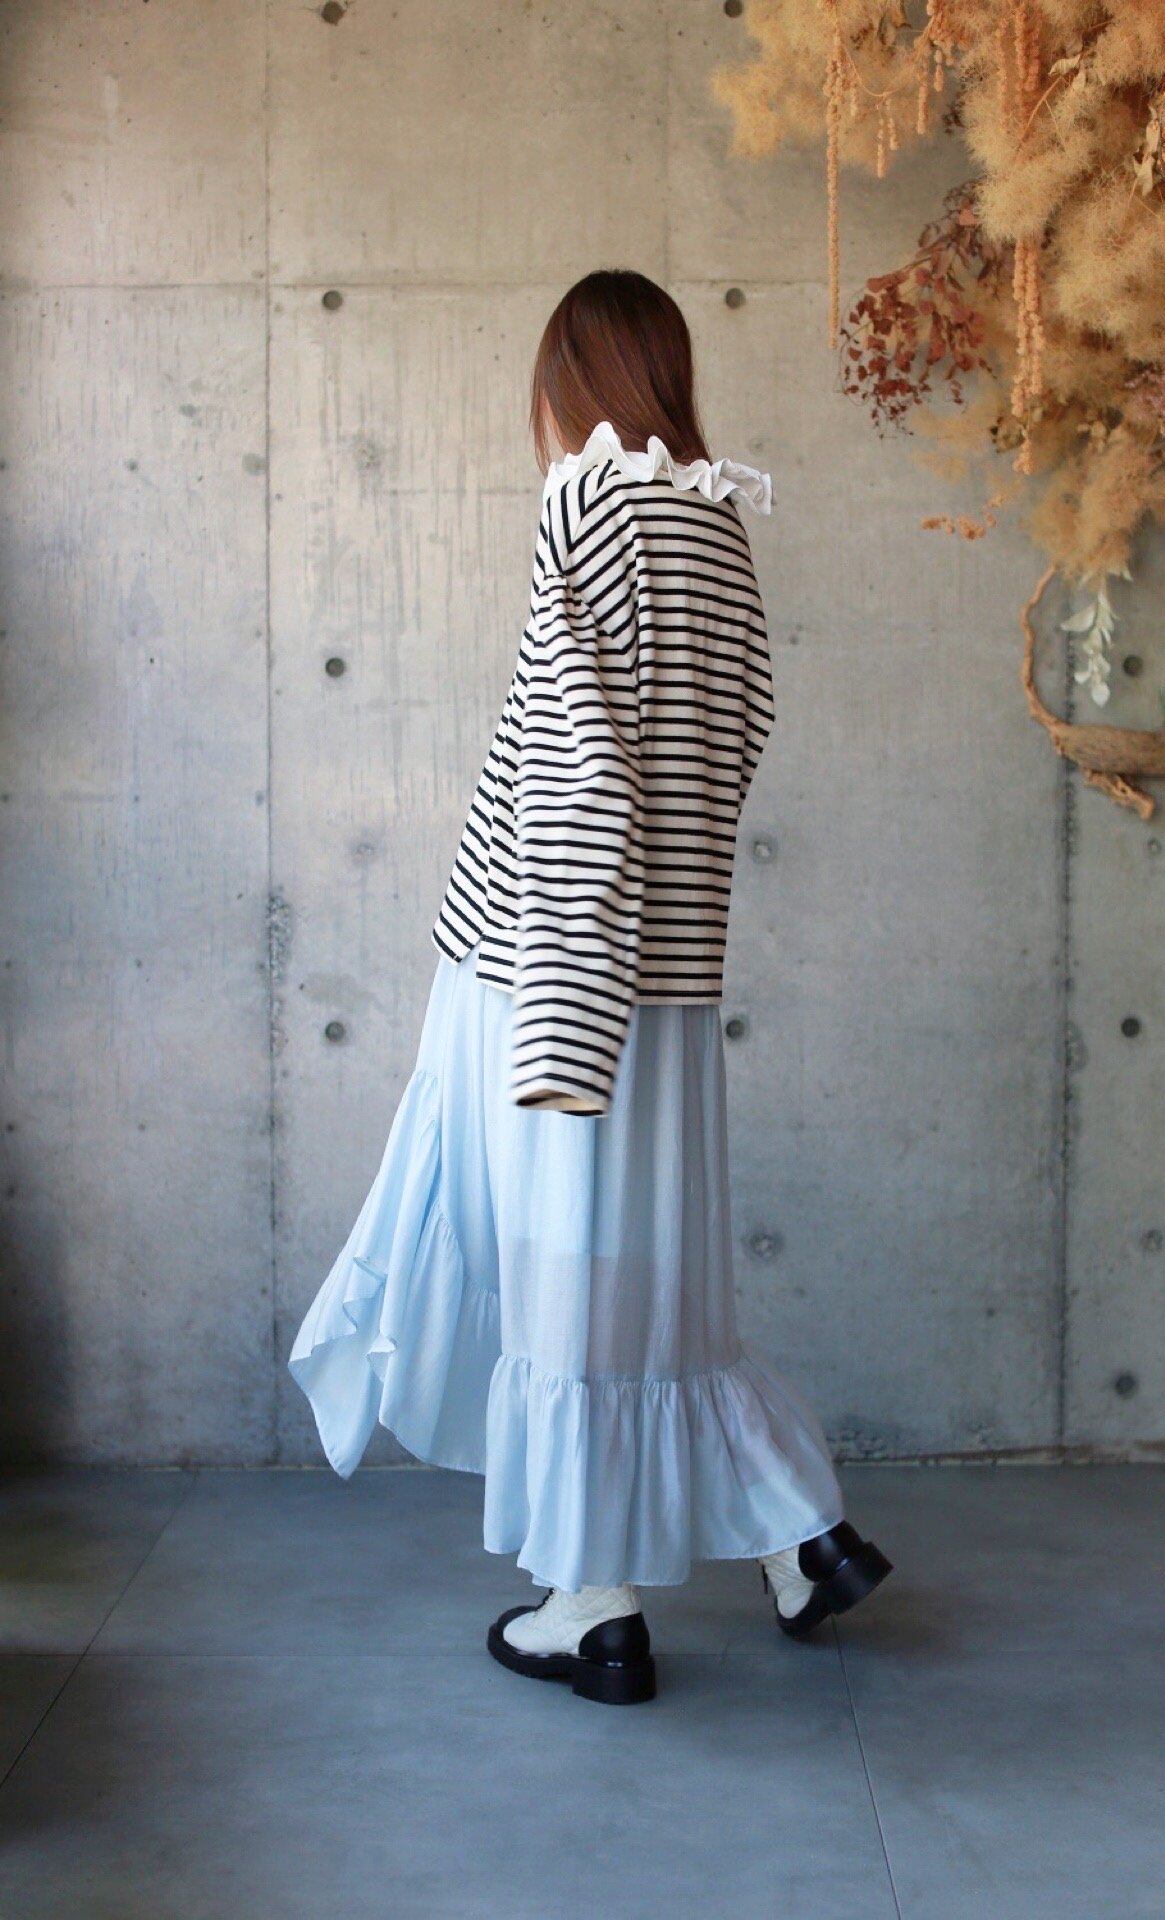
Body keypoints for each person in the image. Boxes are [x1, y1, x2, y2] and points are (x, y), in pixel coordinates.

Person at [290, 269, 891, 1706]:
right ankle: (801, 1536)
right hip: (669, 981)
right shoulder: (716, 523)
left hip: (550, 967)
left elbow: (576, 770)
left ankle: (593, 1602)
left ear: (570, 380)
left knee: (551, 1267)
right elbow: (731, 744)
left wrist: (566, 1004)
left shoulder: (590, 506)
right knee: (657, 1282)